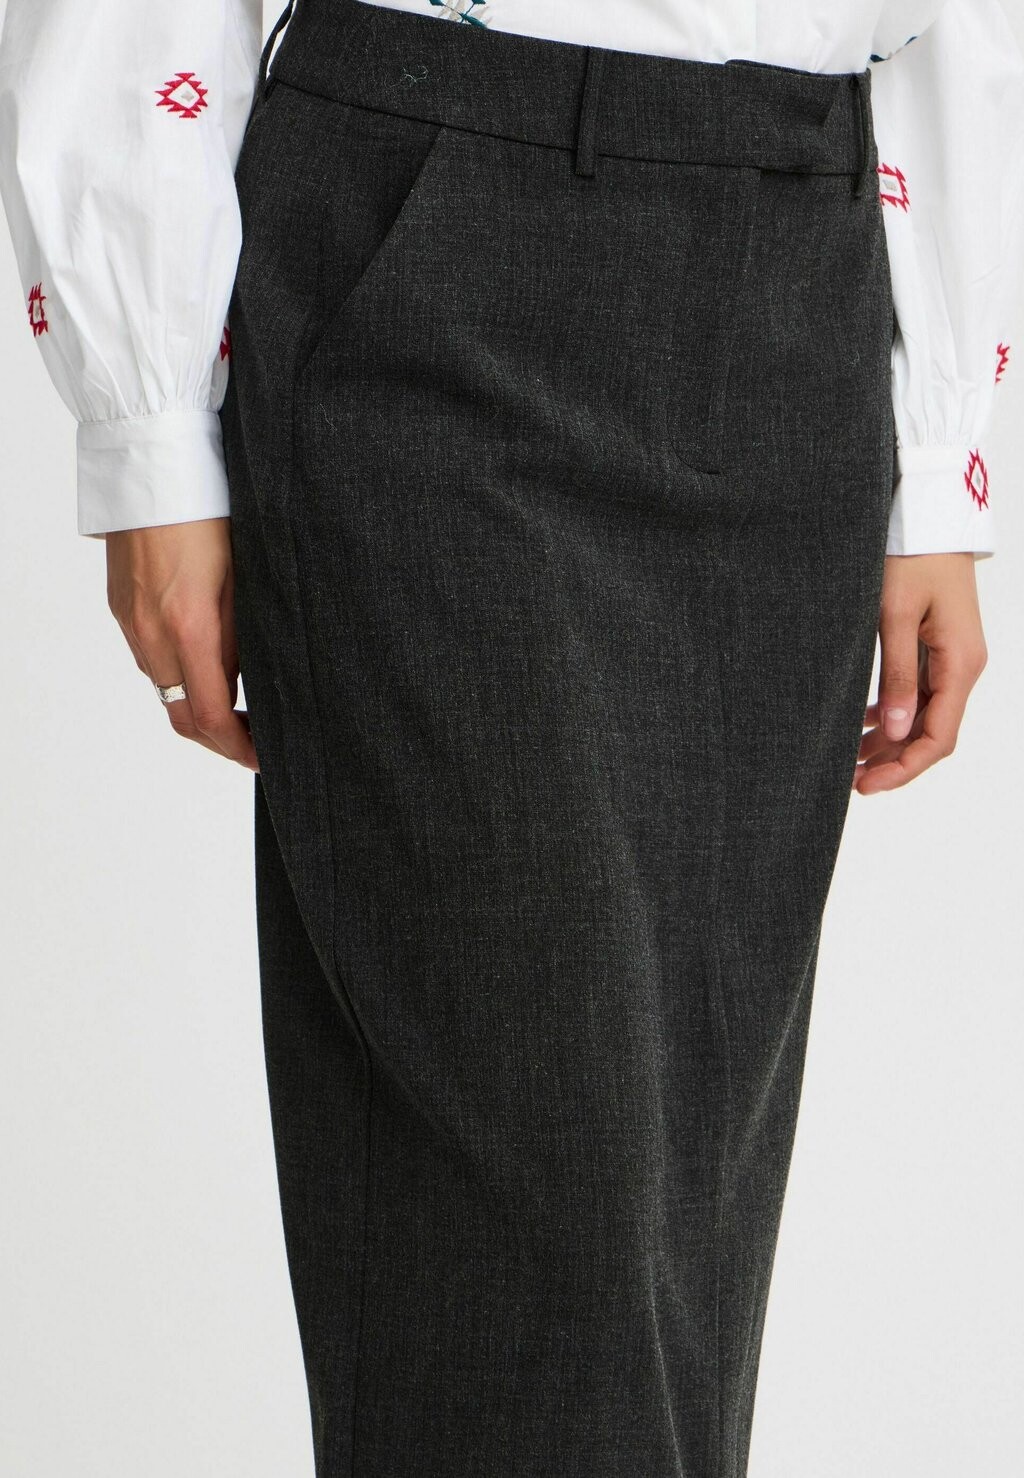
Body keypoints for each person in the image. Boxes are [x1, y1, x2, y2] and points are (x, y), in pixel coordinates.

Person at [1, 1, 1021, 1474]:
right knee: (546, 1224)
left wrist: (940, 452)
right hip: (436, 209)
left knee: (673, 1257)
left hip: (803, 257)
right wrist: (145, 422)